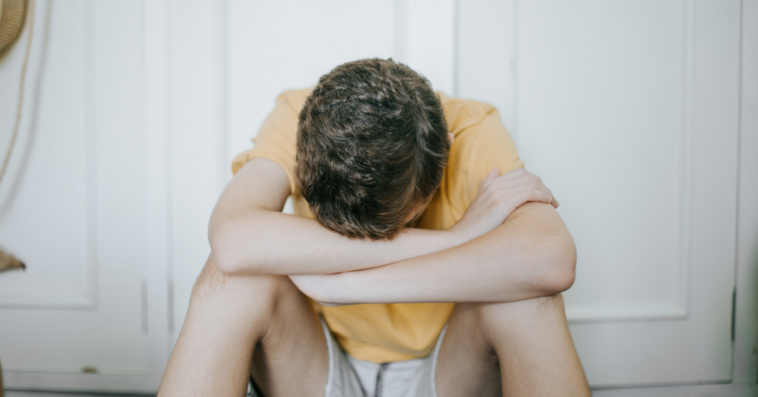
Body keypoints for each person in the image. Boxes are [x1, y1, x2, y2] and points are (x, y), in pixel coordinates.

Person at [158, 58, 591, 397]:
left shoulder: (473, 129)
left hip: (448, 371)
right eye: (343, 234)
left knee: (527, 295)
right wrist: (453, 239)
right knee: (230, 277)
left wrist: (344, 286)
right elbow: (232, 241)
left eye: (394, 226)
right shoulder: (298, 118)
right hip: (317, 368)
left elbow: (552, 259)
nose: (367, 243)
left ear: (445, 156)